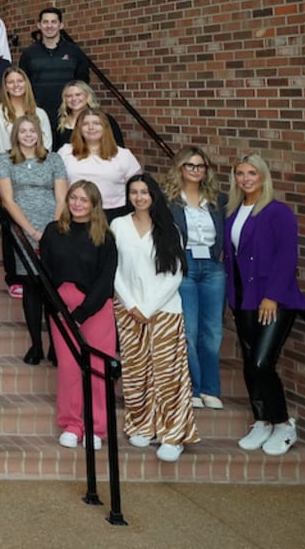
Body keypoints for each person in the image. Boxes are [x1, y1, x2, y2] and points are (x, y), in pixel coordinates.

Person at [225, 154, 305, 457]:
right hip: (243, 299)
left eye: (252, 173)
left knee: (262, 362)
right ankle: (261, 420)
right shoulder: (233, 213)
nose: (246, 179)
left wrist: (271, 296)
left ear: (263, 176)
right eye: (240, 173)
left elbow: (288, 257)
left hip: (273, 300)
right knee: (249, 362)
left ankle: (284, 423)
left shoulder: (278, 212)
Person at [111, 174, 199, 462]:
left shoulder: (170, 228)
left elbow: (174, 275)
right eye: (134, 192)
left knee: (168, 374)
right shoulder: (118, 226)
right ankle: (141, 424)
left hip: (164, 311)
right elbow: (114, 270)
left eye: (144, 192)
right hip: (127, 309)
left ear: (154, 196)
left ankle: (173, 435)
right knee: (136, 370)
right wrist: (132, 304)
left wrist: (147, 307)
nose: (139, 197)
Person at [39, 180, 120, 449]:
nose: (77, 204)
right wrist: (59, 308)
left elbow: (105, 280)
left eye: (84, 200)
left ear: (94, 204)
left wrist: (82, 313)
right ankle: (72, 424)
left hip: (95, 308)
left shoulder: (104, 237)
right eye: (73, 198)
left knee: (97, 368)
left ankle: (97, 428)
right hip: (62, 309)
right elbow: (45, 273)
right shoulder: (53, 231)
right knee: (70, 368)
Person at [0, 115, 70, 364]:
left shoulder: (54, 159)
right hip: (22, 230)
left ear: (39, 134)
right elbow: (7, 200)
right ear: (16, 134)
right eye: (23, 131)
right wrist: (29, 231)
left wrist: (51, 231)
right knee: (32, 288)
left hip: (53, 229)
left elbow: (61, 197)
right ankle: (36, 344)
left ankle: (56, 346)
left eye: (32, 131)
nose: (28, 135)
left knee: (53, 289)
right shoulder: (4, 160)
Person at [165, 146, 227, 409]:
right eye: (190, 165)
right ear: (180, 168)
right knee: (188, 329)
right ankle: (193, 387)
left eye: (200, 166)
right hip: (185, 264)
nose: (195, 170)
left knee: (212, 331)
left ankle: (211, 389)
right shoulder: (169, 201)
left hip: (213, 267)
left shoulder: (217, 200)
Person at [57, 108, 141, 219]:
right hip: (76, 213)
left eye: (96, 123)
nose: (91, 127)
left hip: (113, 215)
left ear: (105, 127)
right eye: (86, 124)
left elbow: (138, 188)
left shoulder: (123, 155)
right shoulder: (65, 152)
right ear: (79, 129)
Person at [19, 7, 90, 128]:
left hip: (67, 114)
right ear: (39, 25)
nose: (49, 26)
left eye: (53, 22)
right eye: (45, 22)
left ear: (61, 25)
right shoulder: (29, 54)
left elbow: (83, 84)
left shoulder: (74, 52)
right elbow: (24, 85)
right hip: (38, 114)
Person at [0, 67, 53, 160]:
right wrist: (14, 167)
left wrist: (31, 166)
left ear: (26, 84)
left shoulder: (40, 114)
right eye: (10, 82)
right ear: (5, 87)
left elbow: (46, 148)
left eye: (20, 81)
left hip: (36, 169)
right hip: (5, 171)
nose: (16, 85)